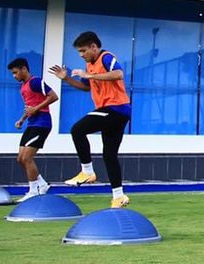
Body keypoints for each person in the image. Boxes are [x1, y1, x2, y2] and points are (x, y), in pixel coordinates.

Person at [50, 32, 132, 208]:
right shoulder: (89, 64)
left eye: (83, 50)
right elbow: (85, 87)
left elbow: (119, 74)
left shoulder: (106, 57)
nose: (81, 55)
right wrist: (66, 78)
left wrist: (90, 75)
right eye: (79, 52)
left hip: (116, 108)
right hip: (114, 112)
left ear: (94, 47)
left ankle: (87, 171)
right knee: (109, 155)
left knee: (77, 130)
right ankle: (119, 196)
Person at [7, 57, 58, 201]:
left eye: (15, 72)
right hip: (32, 123)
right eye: (12, 73)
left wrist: (36, 108)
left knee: (27, 158)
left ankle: (33, 191)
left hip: (42, 124)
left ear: (24, 69)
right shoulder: (23, 87)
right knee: (20, 159)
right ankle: (42, 184)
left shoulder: (35, 82)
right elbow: (29, 107)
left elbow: (53, 96)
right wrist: (22, 119)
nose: (14, 76)